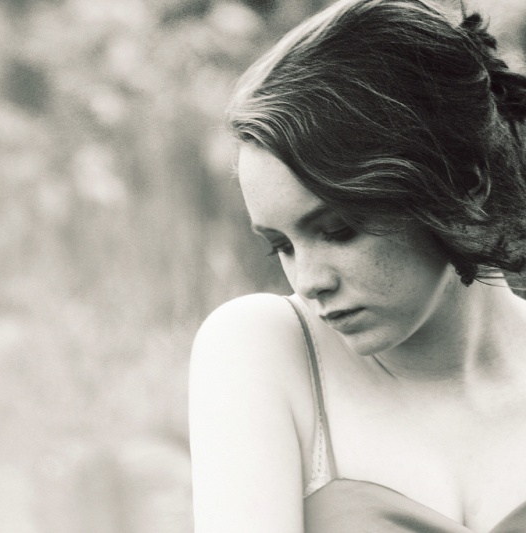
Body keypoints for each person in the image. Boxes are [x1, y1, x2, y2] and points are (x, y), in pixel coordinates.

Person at [188, 0, 526, 531]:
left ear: (465, 182)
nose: (309, 281)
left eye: (339, 230)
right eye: (282, 246)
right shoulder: (265, 348)